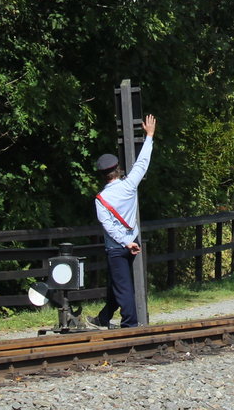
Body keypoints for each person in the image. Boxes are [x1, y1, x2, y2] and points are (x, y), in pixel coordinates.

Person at [91, 113, 155, 328]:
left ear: (102, 175)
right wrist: (149, 136)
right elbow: (142, 162)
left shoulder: (101, 199)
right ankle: (104, 317)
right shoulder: (129, 186)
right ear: (117, 168)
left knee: (123, 286)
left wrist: (124, 242)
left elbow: (108, 226)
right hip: (133, 241)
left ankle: (130, 324)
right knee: (118, 284)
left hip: (117, 247)